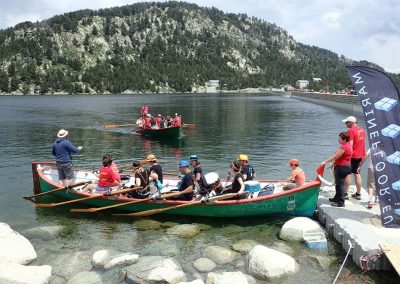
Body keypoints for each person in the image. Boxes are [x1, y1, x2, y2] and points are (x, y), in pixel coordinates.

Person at [320, 132, 353, 207]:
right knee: (338, 184)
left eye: (339, 138)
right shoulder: (349, 145)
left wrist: (325, 161)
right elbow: (342, 157)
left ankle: (341, 202)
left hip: (342, 167)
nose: (338, 140)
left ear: (344, 139)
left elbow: (335, 156)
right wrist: (334, 164)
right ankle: (337, 198)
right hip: (346, 166)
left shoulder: (344, 147)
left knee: (340, 185)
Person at [342, 116, 366, 200]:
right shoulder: (362, 130)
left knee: (348, 174)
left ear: (351, 122)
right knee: (357, 173)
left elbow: (350, 145)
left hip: (352, 156)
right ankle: (358, 193)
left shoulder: (350, 131)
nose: (345, 124)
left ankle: (345, 193)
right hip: (360, 155)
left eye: (346, 122)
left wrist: (343, 154)